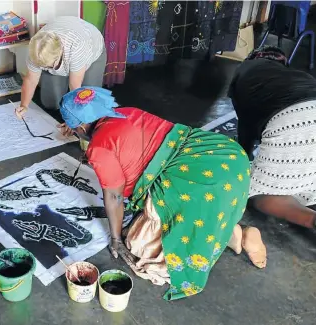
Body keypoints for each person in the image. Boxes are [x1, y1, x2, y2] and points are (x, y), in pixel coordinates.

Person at [58, 87, 267, 300]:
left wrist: (116, 239)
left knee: (139, 244)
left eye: (75, 129)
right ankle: (233, 234)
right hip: (223, 155)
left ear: (81, 126)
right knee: (207, 205)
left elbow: (114, 197)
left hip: (197, 182)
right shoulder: (127, 111)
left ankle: (233, 233)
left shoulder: (100, 147)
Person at [228, 46, 316, 229]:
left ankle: (310, 219)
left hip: (293, 121)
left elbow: (246, 127)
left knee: (255, 195)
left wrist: (242, 164)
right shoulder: (295, 75)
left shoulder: (244, 71)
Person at [15, 16, 106, 135]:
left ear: (58, 55)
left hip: (91, 46)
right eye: (43, 67)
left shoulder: (77, 48)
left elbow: (75, 87)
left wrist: (72, 119)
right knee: (51, 104)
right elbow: (31, 80)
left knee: (88, 105)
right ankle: (59, 75)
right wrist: (24, 105)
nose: (44, 69)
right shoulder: (36, 51)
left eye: (47, 66)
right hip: (63, 43)